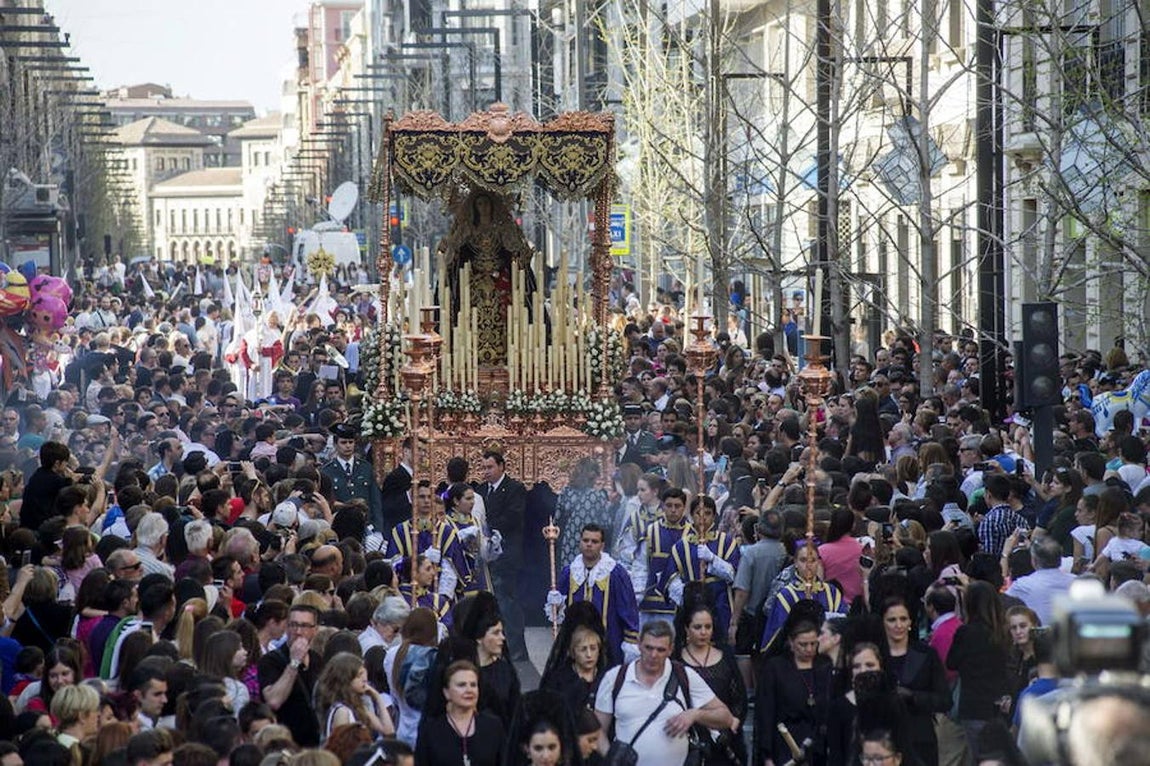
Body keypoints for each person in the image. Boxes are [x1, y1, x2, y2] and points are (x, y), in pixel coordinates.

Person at [594, 620, 733, 766]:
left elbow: (726, 717)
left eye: (660, 650)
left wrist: (695, 715)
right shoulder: (615, 678)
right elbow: (597, 731)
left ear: (670, 649)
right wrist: (613, 760)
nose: (653, 655)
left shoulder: (684, 676)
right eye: (649, 648)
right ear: (639, 644)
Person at [547, 523, 640, 666]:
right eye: (585, 540)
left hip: (608, 646)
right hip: (576, 646)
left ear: (602, 545)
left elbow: (628, 611)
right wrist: (555, 604)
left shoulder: (616, 574)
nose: (589, 545)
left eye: (594, 541)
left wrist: (630, 645)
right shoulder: (570, 572)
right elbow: (558, 614)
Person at [879, 596, 950, 766]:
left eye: (903, 619)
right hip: (884, 739)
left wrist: (913, 696)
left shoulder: (926, 654)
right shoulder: (875, 655)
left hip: (920, 739)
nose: (898, 625)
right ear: (883, 622)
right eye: (892, 620)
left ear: (910, 622)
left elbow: (945, 700)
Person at [674, 601, 747, 766]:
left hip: (725, 743)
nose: (703, 632)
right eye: (697, 627)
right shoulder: (676, 661)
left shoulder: (725, 657)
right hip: (688, 741)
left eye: (708, 627)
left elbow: (739, 698)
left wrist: (730, 726)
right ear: (686, 628)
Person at [755, 617, 834, 766]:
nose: (809, 649)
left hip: (817, 746)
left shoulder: (824, 666)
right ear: (791, 643)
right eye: (803, 645)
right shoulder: (776, 668)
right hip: (784, 743)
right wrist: (767, 756)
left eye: (813, 644)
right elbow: (766, 713)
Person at [662, 496, 740, 638]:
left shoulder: (727, 542)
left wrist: (713, 559)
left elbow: (734, 574)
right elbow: (671, 576)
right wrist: (687, 597)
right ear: (691, 515)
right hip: (691, 600)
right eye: (698, 513)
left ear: (714, 516)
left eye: (708, 513)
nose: (703, 518)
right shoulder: (681, 545)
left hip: (720, 601)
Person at [477, 450, 529, 662]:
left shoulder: (515, 489)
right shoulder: (482, 491)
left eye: (490, 467)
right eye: (484, 468)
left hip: (507, 554)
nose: (486, 472)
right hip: (489, 555)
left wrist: (487, 526)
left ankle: (516, 648)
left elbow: (514, 517)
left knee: (508, 602)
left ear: (501, 467)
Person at [414, 660, 504, 766]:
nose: (469, 690)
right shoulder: (430, 731)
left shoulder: (493, 726)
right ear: (447, 692)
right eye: (461, 685)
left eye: (473, 685)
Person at [760, 541, 846, 652]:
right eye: (803, 560)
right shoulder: (786, 595)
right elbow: (778, 637)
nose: (809, 565)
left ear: (819, 562)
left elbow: (842, 626)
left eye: (813, 561)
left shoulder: (832, 592)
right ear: (795, 562)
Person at [257, 603, 323, 747]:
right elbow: (274, 700)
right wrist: (294, 663)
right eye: (293, 625)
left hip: (314, 744)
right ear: (286, 628)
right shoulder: (270, 660)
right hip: (284, 744)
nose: (298, 631)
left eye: (305, 626)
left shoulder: (317, 659)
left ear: (315, 630)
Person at [385, 607, 440, 746]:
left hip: (403, 732)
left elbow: (394, 696)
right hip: (428, 734)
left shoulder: (391, 654)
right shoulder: (433, 656)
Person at [538, 602, 608, 712]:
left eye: (593, 648)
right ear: (572, 651)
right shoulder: (557, 680)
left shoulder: (609, 678)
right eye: (583, 649)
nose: (589, 654)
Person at [314, 652, 393, 739]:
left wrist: (377, 696)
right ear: (346, 680)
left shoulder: (358, 707)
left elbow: (388, 731)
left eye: (364, 673)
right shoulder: (342, 711)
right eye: (359, 676)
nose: (365, 679)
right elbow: (342, 747)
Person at [320, 422, 383, 531]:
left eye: (351, 442)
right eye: (343, 442)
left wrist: (378, 527)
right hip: (340, 526)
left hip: (367, 525)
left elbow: (375, 500)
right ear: (335, 445)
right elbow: (327, 503)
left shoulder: (365, 467)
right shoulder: (327, 471)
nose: (348, 446)